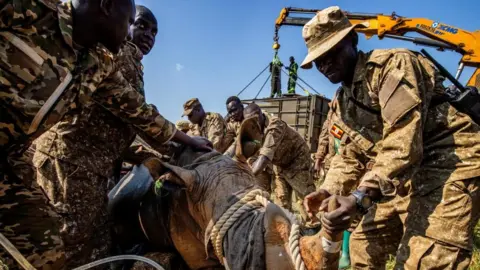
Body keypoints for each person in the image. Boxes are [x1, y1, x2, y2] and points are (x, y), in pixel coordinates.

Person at [0, 0, 210, 268]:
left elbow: (139, 112)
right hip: (70, 162)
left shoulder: (98, 62)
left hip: (17, 161)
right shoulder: (31, 11)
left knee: (51, 249)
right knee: (71, 240)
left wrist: (188, 142)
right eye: (134, 22)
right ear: (107, 6)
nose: (144, 35)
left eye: (154, 32)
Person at [301, 6, 480, 269]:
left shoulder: (393, 65)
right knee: (363, 246)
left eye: (331, 53)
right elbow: (349, 155)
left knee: (426, 260)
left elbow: (403, 140)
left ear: (352, 40)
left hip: (449, 164)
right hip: (399, 175)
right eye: (319, 60)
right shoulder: (343, 101)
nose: (325, 65)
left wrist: (359, 197)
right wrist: (330, 189)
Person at [244, 103, 319, 231]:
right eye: (250, 120)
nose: (254, 122)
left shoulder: (275, 126)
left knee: (306, 199)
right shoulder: (253, 130)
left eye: (256, 118)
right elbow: (252, 154)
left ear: (261, 115)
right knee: (281, 200)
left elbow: (263, 159)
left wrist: (246, 179)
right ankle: (288, 231)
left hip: (297, 161)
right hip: (280, 164)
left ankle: (314, 229)